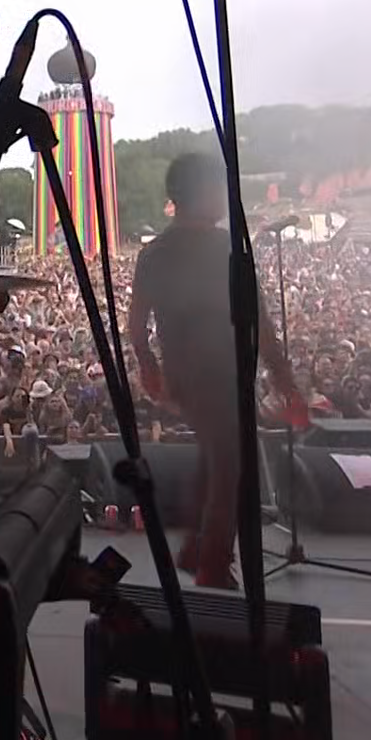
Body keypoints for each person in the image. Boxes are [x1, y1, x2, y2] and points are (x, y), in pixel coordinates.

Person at [127, 151, 301, 591]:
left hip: (184, 375)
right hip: (219, 372)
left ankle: (194, 549)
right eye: (219, 188)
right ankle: (213, 563)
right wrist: (285, 382)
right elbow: (260, 320)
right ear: (202, 192)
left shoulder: (154, 254)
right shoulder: (225, 247)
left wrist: (150, 367)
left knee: (215, 456)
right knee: (231, 467)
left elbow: (136, 324)